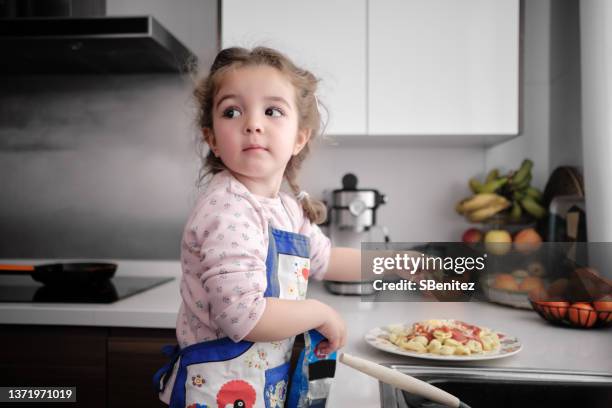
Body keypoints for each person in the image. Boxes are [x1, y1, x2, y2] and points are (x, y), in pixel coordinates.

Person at [155, 47, 361, 407]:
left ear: (300, 137)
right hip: (215, 390)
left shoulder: (285, 208)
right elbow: (243, 316)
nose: (252, 123)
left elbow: (327, 260)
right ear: (213, 139)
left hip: (259, 384)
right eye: (232, 111)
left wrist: (411, 263)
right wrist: (321, 312)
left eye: (272, 111)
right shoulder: (228, 208)